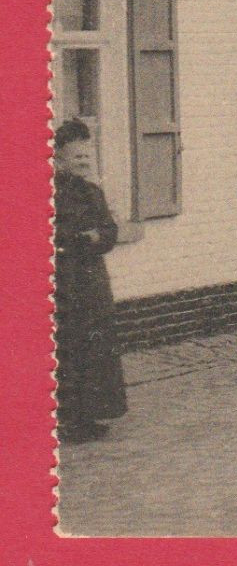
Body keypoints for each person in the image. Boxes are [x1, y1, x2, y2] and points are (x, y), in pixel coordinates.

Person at [53, 119, 127, 444]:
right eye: (76, 158)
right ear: (59, 159)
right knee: (70, 348)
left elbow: (110, 230)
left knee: (97, 348)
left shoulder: (93, 192)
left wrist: (100, 237)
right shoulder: (51, 192)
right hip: (66, 283)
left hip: (93, 283)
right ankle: (69, 420)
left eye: (86, 157)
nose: (83, 163)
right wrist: (76, 239)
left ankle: (92, 414)